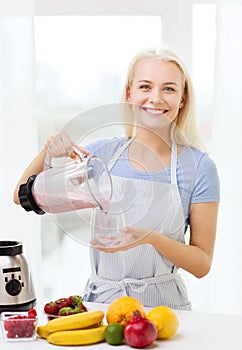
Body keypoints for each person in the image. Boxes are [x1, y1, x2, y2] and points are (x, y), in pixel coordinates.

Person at [13, 48, 220, 310]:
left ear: (182, 99)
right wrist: (48, 151)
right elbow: (21, 196)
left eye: (168, 89)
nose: (155, 98)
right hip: (103, 307)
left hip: (166, 311)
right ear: (129, 93)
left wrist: (151, 238)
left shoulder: (200, 167)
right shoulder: (102, 156)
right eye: (145, 86)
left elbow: (202, 264)